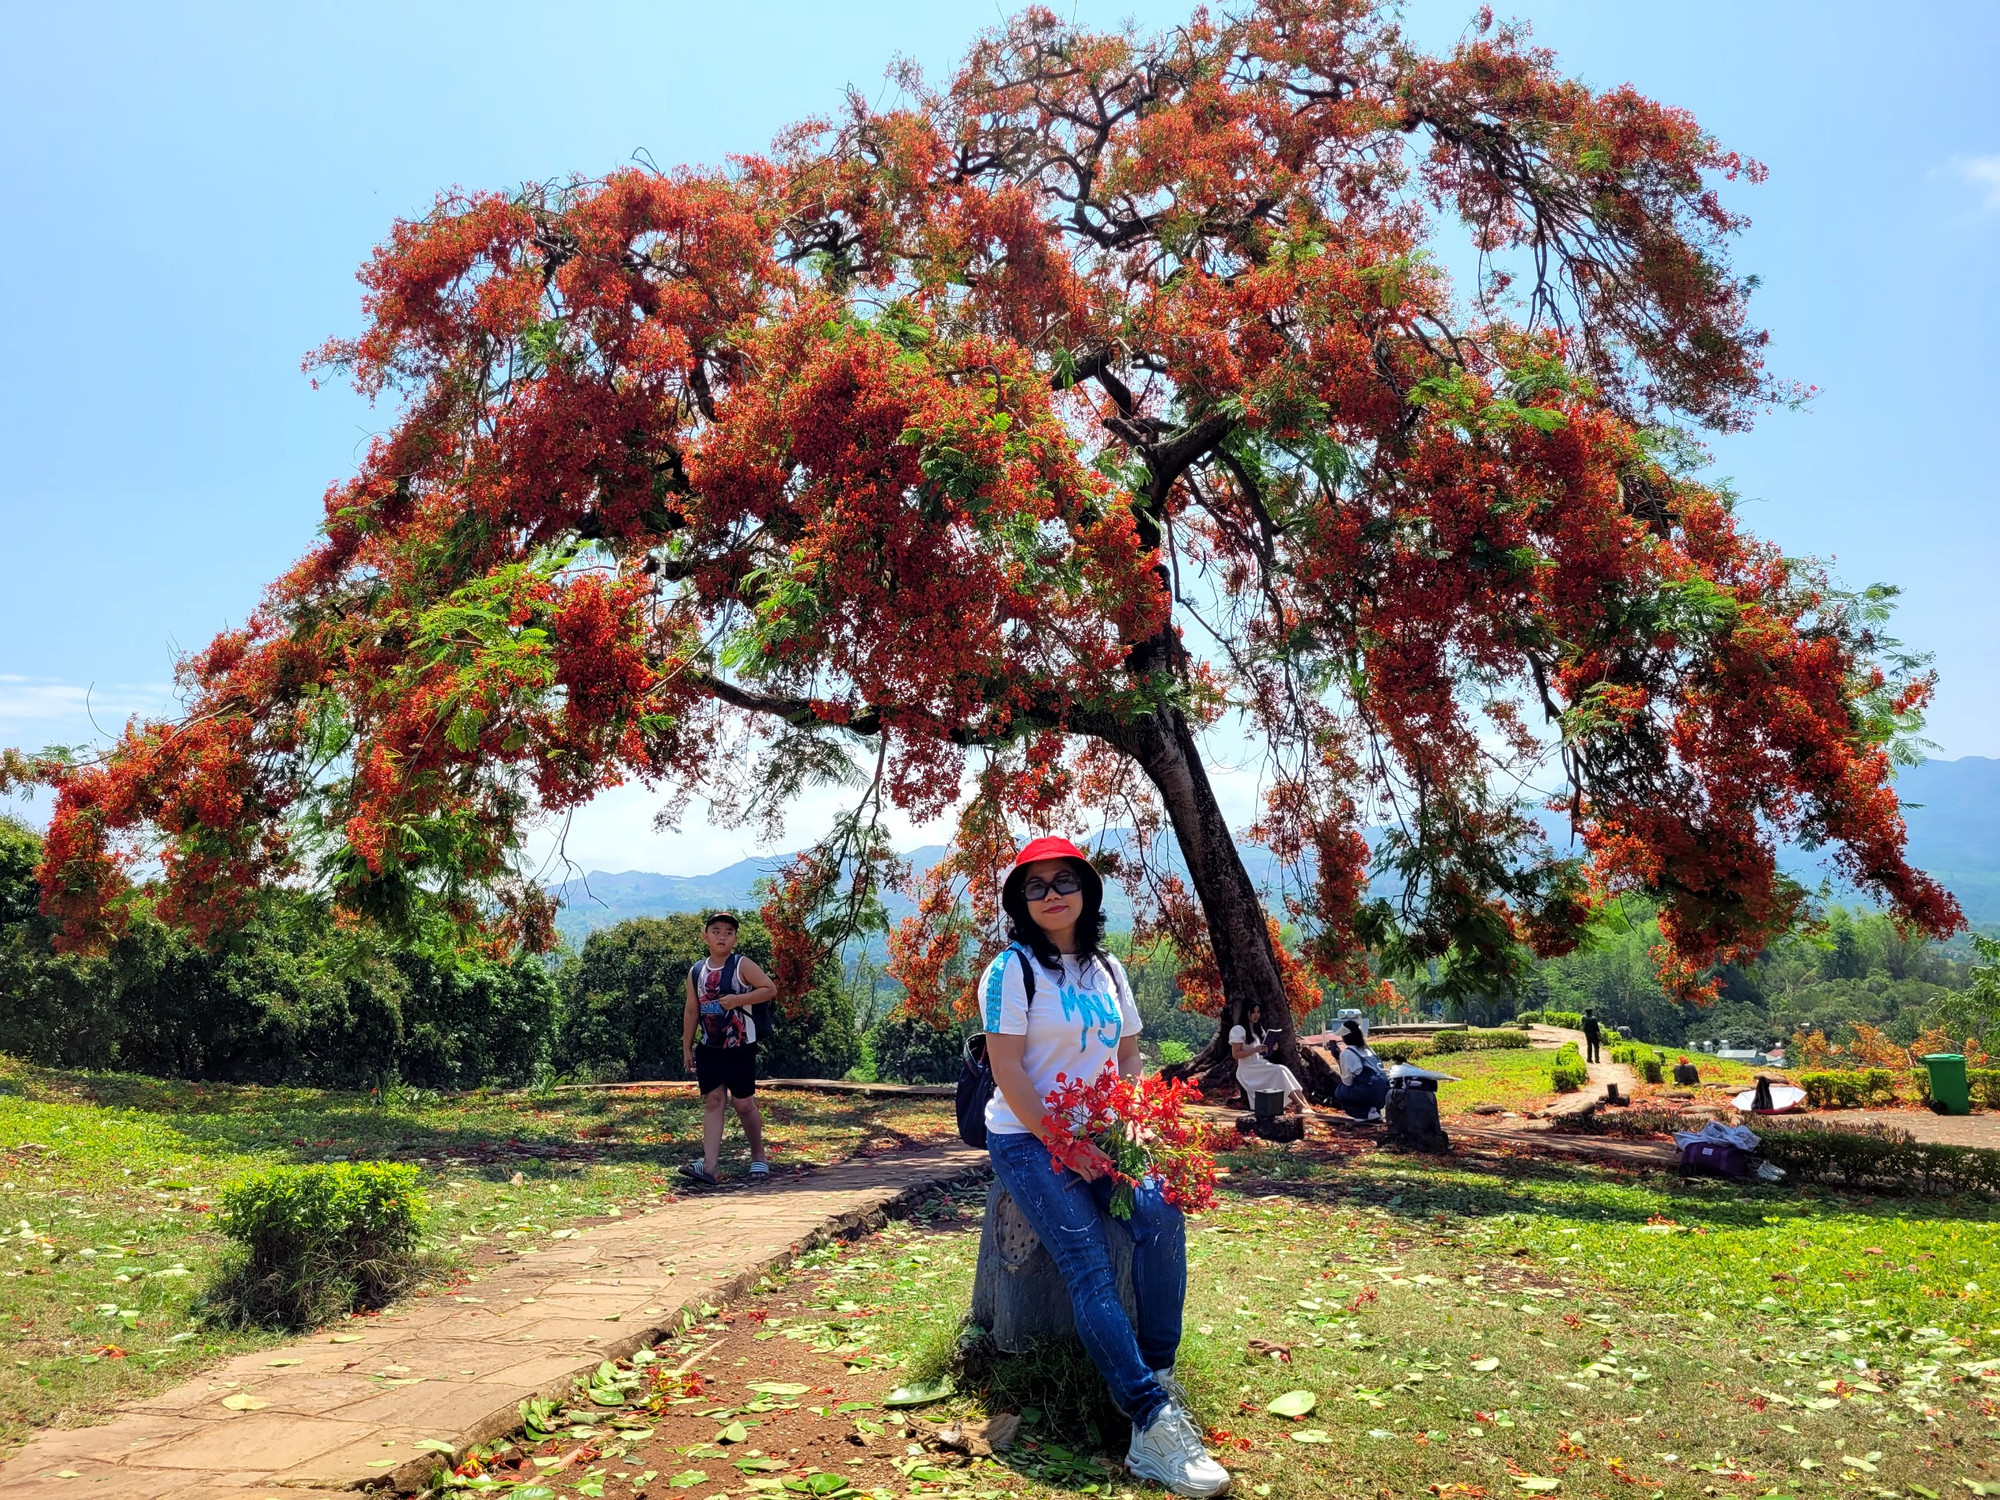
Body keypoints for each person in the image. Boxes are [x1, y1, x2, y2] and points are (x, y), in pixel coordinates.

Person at [980, 836, 1230, 1498]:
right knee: (1087, 1259)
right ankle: (1151, 1426)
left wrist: (1135, 1128)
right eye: (1035, 886)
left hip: (1104, 1129)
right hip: (1028, 1138)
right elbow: (1009, 1074)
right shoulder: (1010, 972)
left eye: (1065, 880)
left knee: (1160, 1214)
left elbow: (1128, 1063)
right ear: (1020, 902)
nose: (1052, 893)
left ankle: (1159, 1375)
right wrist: (1065, 1146)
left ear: (1086, 890)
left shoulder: (1109, 971)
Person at [679, 912, 776, 1185]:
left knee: (743, 1103)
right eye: (716, 930)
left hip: (741, 1045)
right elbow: (691, 1010)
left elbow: (769, 989)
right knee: (714, 1101)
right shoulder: (696, 971)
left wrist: (737, 999)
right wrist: (687, 1047)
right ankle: (709, 1166)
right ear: (705, 935)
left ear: (735, 938)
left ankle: (759, 1156)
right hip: (709, 1047)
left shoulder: (741, 964)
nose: (722, 936)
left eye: (729, 932)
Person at [1227, 1001, 1305, 1114]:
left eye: (1258, 1012)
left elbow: (1262, 1052)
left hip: (1259, 1064)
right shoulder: (1239, 1029)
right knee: (1279, 1070)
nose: (1256, 1015)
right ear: (1246, 1013)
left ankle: (1303, 1105)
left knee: (1284, 1070)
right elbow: (1236, 1054)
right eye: (1252, 1012)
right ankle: (1299, 1104)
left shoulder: (1257, 1029)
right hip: (1248, 1069)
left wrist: (1271, 1047)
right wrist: (1255, 1050)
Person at [1332, 1020, 1389, 1121]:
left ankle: (1363, 1114)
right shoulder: (1369, 1049)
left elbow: (1347, 1081)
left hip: (1369, 1091)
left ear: (1345, 1037)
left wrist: (1338, 1059)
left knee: (1340, 1090)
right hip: (1384, 1091)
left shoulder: (1347, 1053)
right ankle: (1374, 1111)